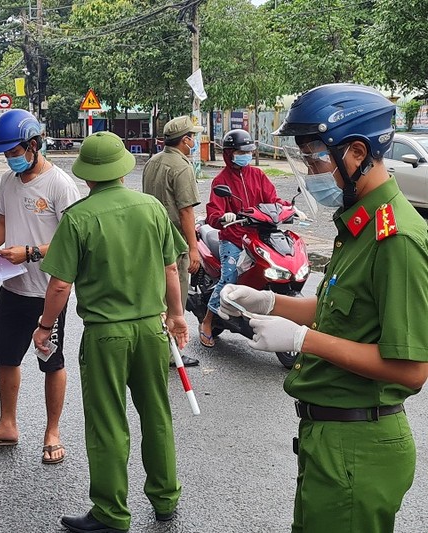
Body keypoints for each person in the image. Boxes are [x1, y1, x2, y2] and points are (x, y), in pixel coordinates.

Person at [218, 83, 428, 533]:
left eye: (315, 158)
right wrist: (274, 302)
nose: (311, 172)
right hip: (329, 440)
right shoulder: (359, 224)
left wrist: (301, 340)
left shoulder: (397, 239)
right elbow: (339, 311)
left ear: (356, 152)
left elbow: (412, 370)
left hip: (358, 447)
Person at [32, 131, 189, 532]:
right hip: (152, 330)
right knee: (157, 415)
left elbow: (61, 285)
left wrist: (45, 327)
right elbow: (172, 268)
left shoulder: (79, 217)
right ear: (123, 169)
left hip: (106, 335)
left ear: (87, 177)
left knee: (107, 422)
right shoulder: (152, 208)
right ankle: (165, 499)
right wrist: (177, 316)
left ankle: (111, 513)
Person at [0, 108, 80, 465]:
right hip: (11, 288)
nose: (10, 159)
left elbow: (74, 242)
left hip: (48, 293)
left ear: (34, 145)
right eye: (6, 154)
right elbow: (2, 222)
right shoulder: (8, 183)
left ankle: (52, 432)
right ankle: (7, 425)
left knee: (52, 362)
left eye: (14, 152)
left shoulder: (60, 185)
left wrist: (29, 252)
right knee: (6, 358)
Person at [198, 129, 304, 347]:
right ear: (229, 153)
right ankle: (207, 322)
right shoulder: (221, 181)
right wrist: (223, 217)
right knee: (229, 278)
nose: (244, 155)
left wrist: (290, 208)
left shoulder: (258, 175)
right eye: (240, 151)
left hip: (259, 234)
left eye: (247, 151)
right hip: (234, 238)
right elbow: (213, 213)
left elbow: (272, 199)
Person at [142, 115, 203, 367]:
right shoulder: (181, 166)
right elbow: (186, 211)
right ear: (185, 140)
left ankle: (157, 346)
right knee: (174, 298)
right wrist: (193, 248)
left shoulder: (153, 162)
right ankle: (170, 353)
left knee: (156, 297)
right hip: (174, 243)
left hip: (151, 238)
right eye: (193, 137)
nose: (195, 142)